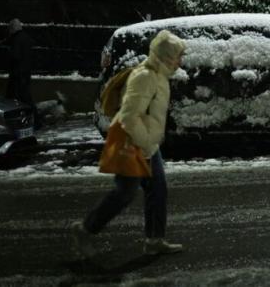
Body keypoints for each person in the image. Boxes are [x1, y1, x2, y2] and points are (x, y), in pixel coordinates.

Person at [71, 30, 186, 258]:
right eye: (177, 56)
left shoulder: (159, 76)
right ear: (165, 57)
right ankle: (84, 230)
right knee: (125, 194)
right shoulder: (145, 77)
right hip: (131, 143)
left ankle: (154, 240)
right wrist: (145, 143)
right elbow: (129, 117)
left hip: (146, 144)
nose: (181, 61)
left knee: (158, 190)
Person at [6, 18, 36, 110]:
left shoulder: (16, 39)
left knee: (16, 96)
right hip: (25, 71)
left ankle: (35, 119)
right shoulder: (26, 37)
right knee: (24, 96)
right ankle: (34, 118)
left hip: (17, 72)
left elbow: (15, 56)